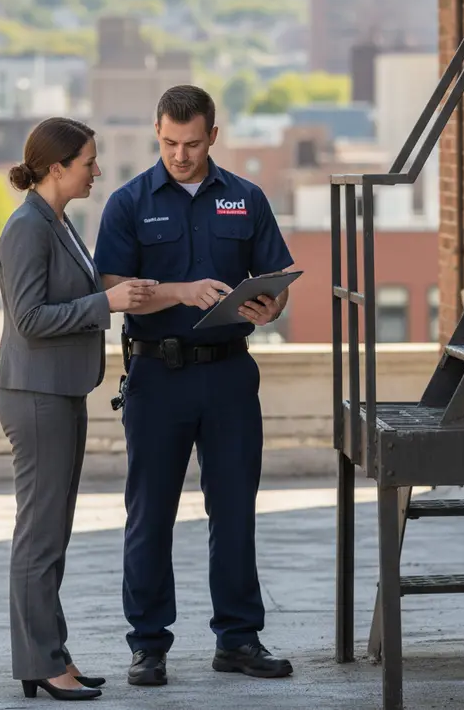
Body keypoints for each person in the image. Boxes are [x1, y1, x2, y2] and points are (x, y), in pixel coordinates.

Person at [94, 85, 295, 687]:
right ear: (158, 132)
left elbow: (275, 279)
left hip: (231, 373)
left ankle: (238, 639)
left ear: (213, 135)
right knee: (149, 514)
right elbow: (112, 286)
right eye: (169, 142)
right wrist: (180, 291)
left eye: (191, 143)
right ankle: (148, 645)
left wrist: (270, 305)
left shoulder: (246, 198)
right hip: (157, 375)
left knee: (234, 511)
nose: (180, 155)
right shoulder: (128, 202)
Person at [0, 116, 157, 702]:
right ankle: (41, 662)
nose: (97, 170)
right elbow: (30, 321)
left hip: (61, 392)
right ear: (57, 167)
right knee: (39, 537)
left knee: (52, 534)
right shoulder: (27, 228)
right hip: (37, 396)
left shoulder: (58, 223)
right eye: (89, 161)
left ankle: (49, 656)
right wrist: (105, 303)